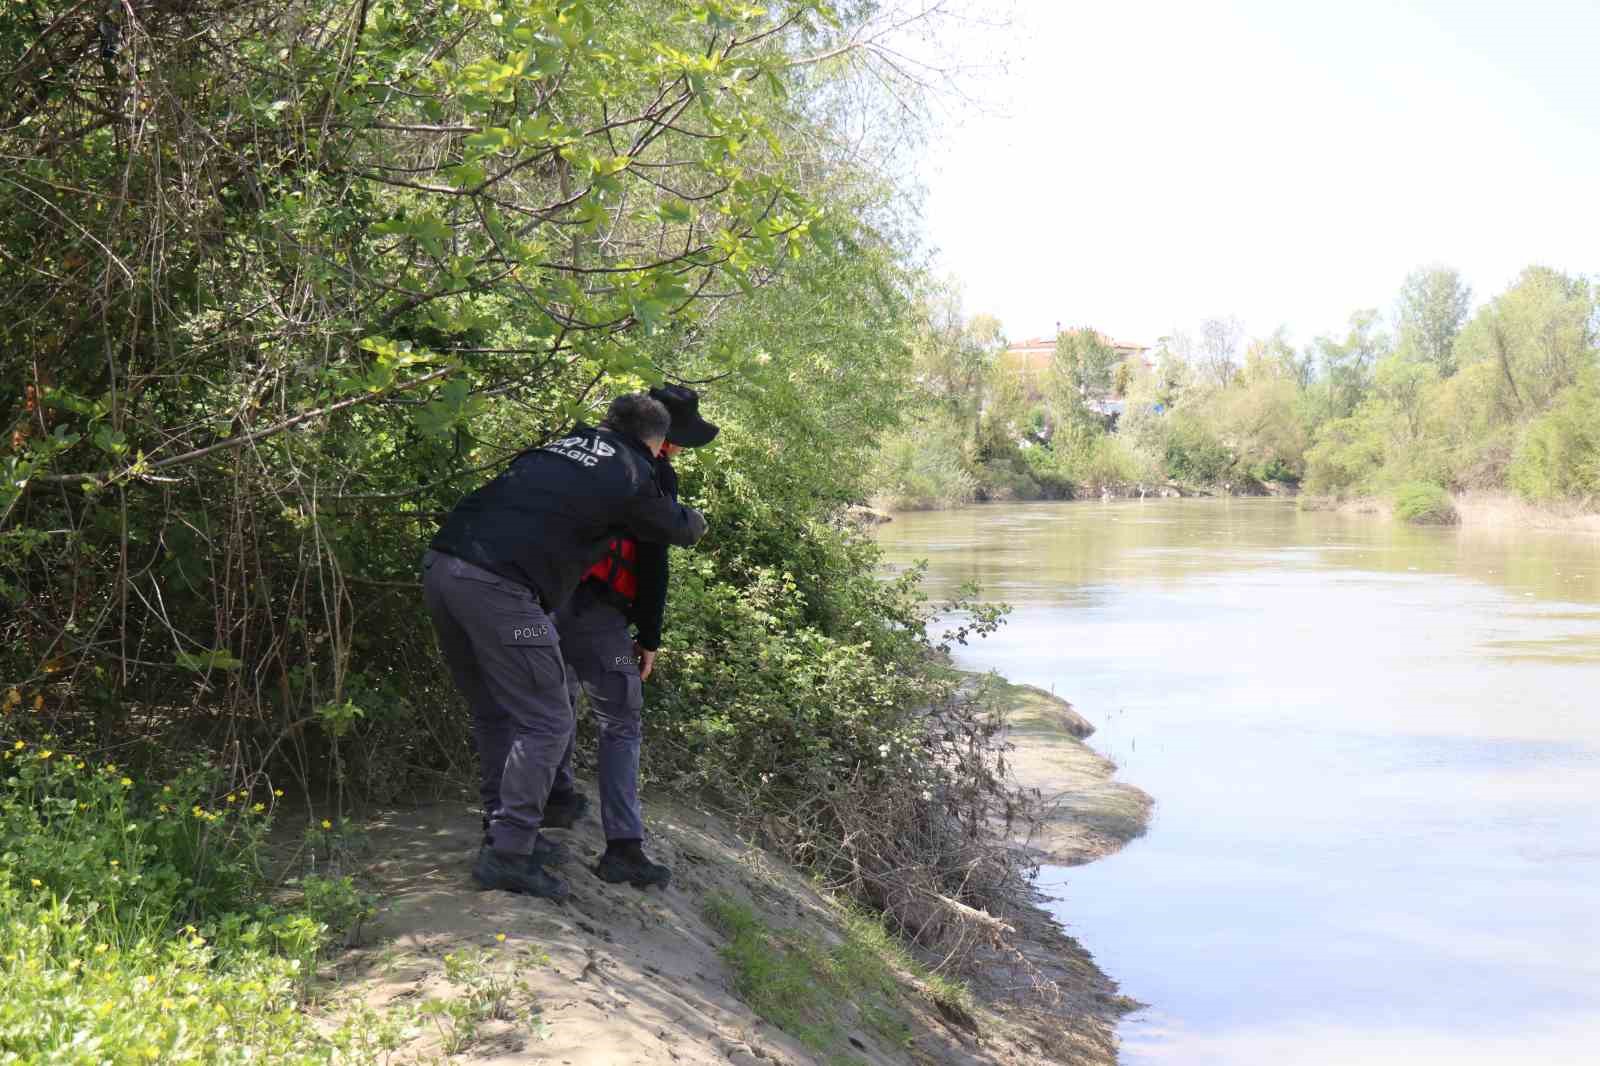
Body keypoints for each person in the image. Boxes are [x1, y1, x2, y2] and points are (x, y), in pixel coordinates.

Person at [423, 394, 707, 900]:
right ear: (659, 441)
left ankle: (508, 833)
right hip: (507, 596)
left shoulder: (563, 446)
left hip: (445, 568)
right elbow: (673, 535)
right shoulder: (634, 472)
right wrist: (692, 522)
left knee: (496, 711)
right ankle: (516, 853)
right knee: (553, 720)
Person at [543, 385, 719, 889]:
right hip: (597, 608)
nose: (682, 448)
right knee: (621, 721)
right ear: (663, 438)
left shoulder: (581, 452)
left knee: (559, 696)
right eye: (681, 439)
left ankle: (556, 797)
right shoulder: (651, 473)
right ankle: (623, 848)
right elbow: (653, 559)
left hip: (545, 594)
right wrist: (650, 635)